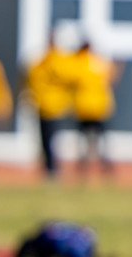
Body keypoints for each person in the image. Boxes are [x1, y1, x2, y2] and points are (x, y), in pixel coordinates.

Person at [27, 34, 74, 178]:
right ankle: (48, 167)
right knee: (45, 139)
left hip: (55, 107)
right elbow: (32, 77)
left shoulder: (60, 60)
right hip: (44, 105)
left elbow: (69, 78)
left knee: (52, 139)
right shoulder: (44, 60)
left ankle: (54, 168)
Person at [72, 41, 116, 173]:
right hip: (98, 107)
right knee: (101, 140)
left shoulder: (77, 62)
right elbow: (111, 78)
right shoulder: (99, 62)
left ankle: (84, 167)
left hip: (84, 107)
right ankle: (104, 166)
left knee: (84, 140)